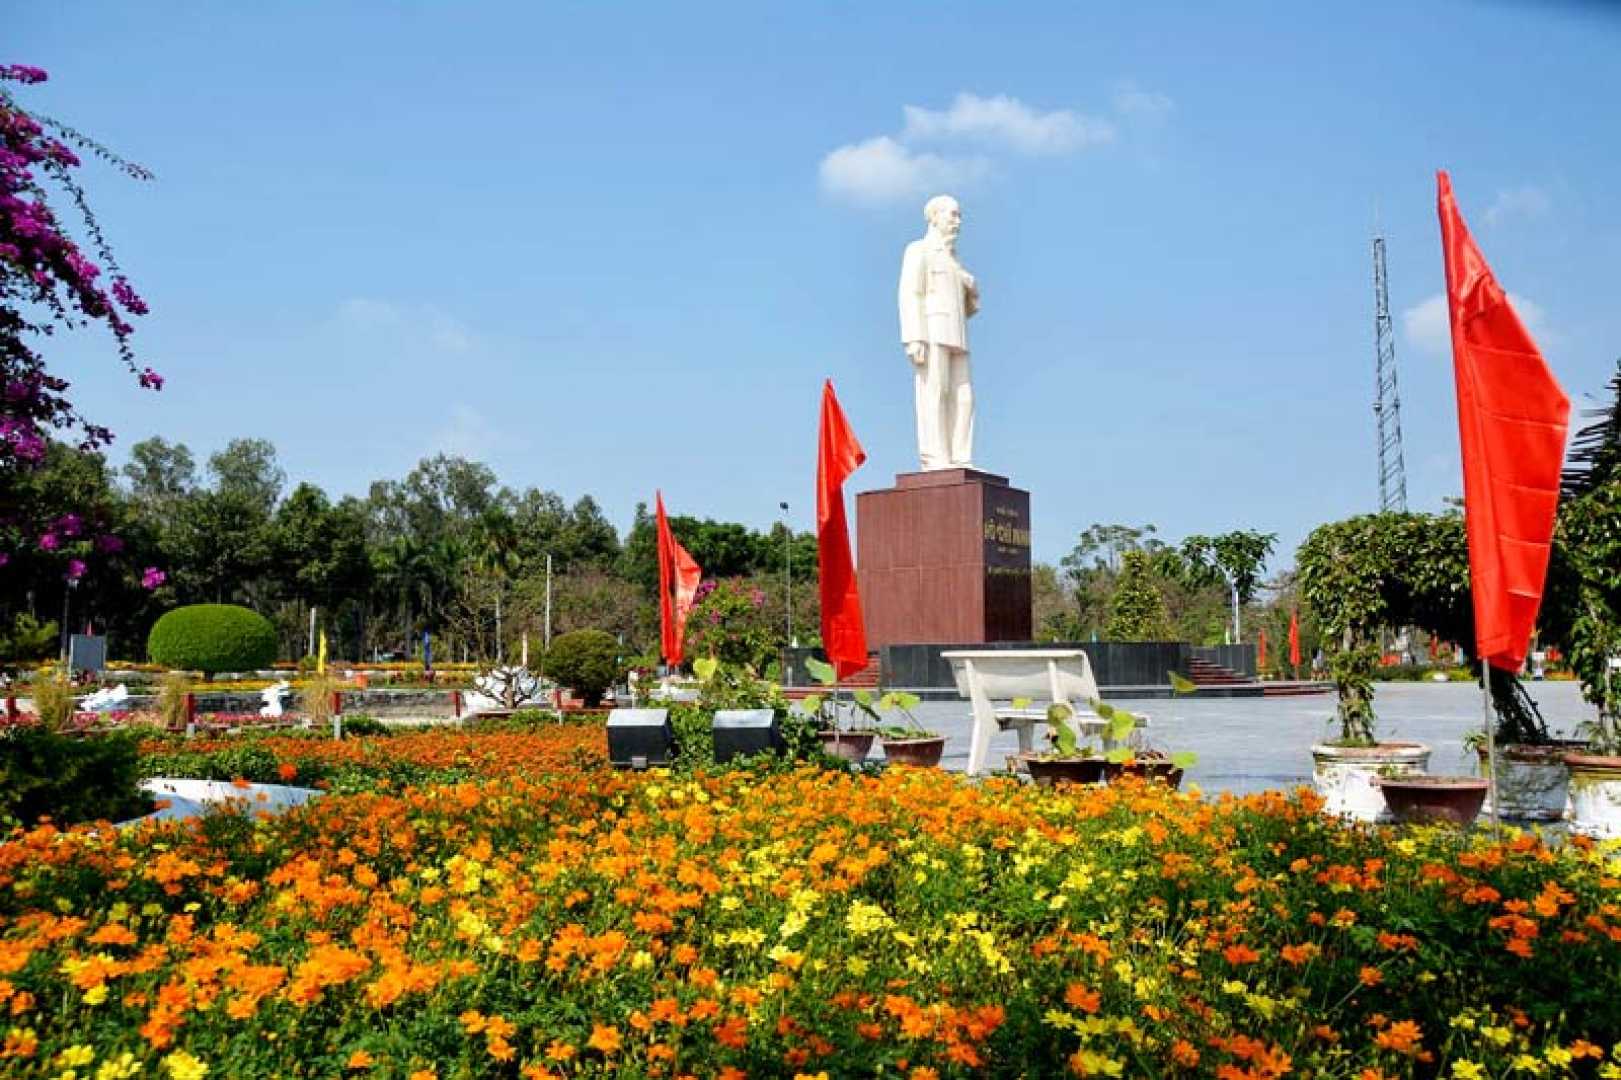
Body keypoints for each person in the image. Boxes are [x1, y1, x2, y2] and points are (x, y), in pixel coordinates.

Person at [898, 194, 979, 470]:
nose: (958, 222)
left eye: (959, 216)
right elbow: (910, 294)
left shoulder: (954, 259)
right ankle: (935, 458)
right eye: (952, 215)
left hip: (957, 332)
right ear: (935, 217)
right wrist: (914, 337)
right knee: (935, 391)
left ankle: (960, 457)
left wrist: (969, 285)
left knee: (964, 396)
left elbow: (968, 307)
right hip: (932, 329)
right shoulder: (919, 250)